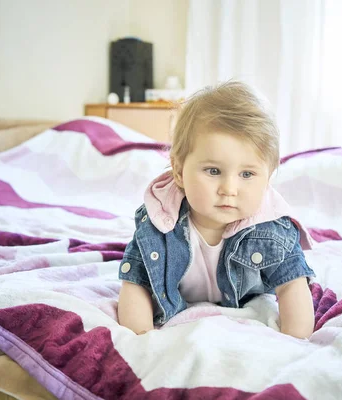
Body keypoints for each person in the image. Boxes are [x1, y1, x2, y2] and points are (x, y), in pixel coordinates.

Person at [117, 81, 316, 339]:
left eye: (247, 174)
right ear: (178, 171)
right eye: (213, 171)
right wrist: (141, 339)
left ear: (268, 177)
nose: (229, 189)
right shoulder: (159, 223)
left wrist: (296, 342)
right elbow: (136, 284)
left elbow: (293, 286)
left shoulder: (272, 229)